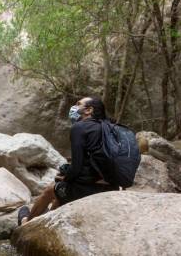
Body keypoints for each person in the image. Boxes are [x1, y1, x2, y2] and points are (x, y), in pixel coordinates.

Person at [18, 96, 119, 225]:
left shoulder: (80, 128)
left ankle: (27, 223)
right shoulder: (111, 127)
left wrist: (64, 177)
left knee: (51, 190)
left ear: (88, 110)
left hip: (92, 189)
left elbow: (77, 167)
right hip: (113, 187)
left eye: (78, 104)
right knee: (62, 192)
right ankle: (48, 219)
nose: (74, 107)